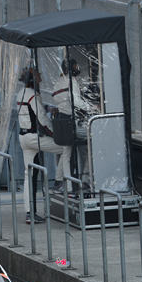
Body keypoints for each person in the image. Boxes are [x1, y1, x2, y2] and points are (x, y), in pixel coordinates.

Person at [17, 66, 67, 223]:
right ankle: (59, 181)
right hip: (34, 138)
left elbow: (32, 112)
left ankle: (29, 213)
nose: (41, 78)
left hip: (23, 138)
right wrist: (56, 135)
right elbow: (42, 121)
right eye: (38, 76)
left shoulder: (21, 93)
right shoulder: (33, 95)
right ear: (32, 80)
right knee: (66, 147)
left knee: (28, 175)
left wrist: (47, 108)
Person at [51, 57, 96, 192]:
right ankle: (83, 181)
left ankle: (60, 181)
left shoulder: (59, 82)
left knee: (66, 152)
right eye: (76, 66)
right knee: (90, 143)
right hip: (72, 123)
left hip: (62, 121)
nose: (78, 69)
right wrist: (91, 108)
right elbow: (75, 101)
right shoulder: (72, 82)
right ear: (71, 69)